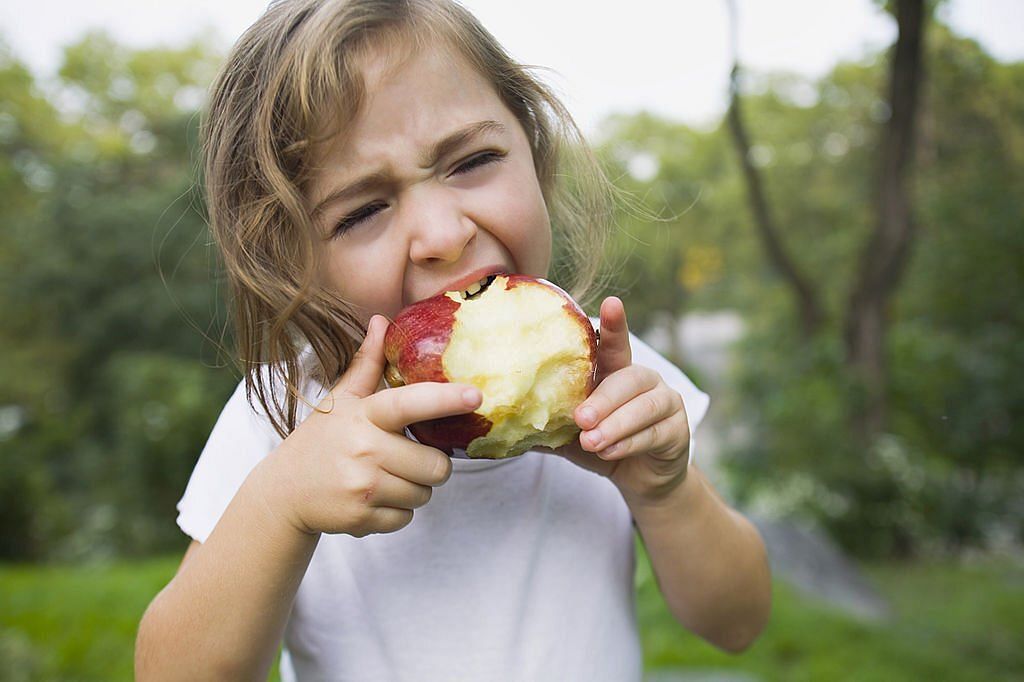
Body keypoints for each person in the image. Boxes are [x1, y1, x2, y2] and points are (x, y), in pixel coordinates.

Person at [134, 0, 771, 679]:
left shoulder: (615, 381)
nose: (444, 235)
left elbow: (737, 622)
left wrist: (665, 492)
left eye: (472, 160)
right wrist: (281, 506)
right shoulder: (289, 418)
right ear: (292, 258)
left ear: (533, 147)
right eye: (364, 210)